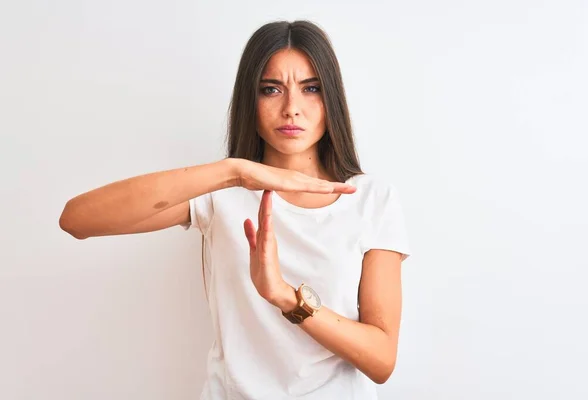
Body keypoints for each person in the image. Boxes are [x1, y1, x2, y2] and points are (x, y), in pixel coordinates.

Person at [59, 20, 411, 400]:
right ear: (250, 99)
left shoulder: (371, 199)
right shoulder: (221, 193)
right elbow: (77, 220)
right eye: (271, 89)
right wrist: (234, 171)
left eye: (311, 89)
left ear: (332, 100)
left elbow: (381, 360)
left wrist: (285, 297)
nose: (292, 108)